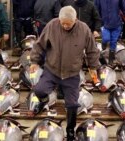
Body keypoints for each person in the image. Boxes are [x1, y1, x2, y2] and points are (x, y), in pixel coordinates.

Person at [30, 6, 100, 141]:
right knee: (39, 90)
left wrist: (93, 67)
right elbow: (39, 45)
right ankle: (44, 102)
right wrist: (34, 61)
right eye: (63, 23)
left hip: (71, 73)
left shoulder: (84, 29)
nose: (65, 26)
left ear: (76, 20)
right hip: (52, 69)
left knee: (72, 105)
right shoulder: (52, 26)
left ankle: (70, 130)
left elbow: (92, 50)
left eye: (69, 23)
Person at [95, 0, 125, 65]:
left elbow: (123, 7)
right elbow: (96, 9)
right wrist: (97, 20)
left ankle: (111, 59)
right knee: (106, 38)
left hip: (116, 24)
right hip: (105, 24)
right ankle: (103, 44)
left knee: (113, 42)